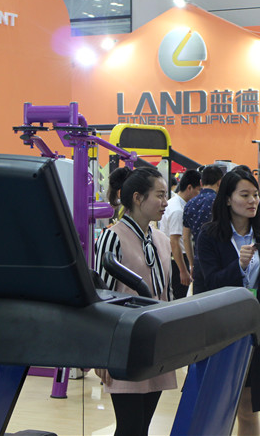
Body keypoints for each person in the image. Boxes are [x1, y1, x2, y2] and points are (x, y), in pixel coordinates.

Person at [196, 169, 260, 435]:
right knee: (217, 406)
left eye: (255, 195)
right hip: (221, 330)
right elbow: (210, 283)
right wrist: (239, 266)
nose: (252, 201)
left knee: (248, 406)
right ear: (227, 199)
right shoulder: (209, 236)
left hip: (255, 329)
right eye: (244, 195)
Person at [93, 166, 176, 436]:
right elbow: (101, 297)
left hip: (156, 344)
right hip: (123, 345)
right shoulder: (112, 238)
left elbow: (167, 295)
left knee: (142, 427)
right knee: (129, 427)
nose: (165, 202)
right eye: (160, 195)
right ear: (138, 198)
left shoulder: (161, 240)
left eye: (166, 195)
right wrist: (101, 353)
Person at [182, 164, 224, 294]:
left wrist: (192, 263)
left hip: (199, 261)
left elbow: (185, 237)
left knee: (199, 301)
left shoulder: (190, 204)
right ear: (220, 182)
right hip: (219, 261)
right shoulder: (220, 202)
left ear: (201, 182)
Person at [160, 168, 201, 299]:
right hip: (177, 260)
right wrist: (183, 270)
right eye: (198, 190)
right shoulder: (178, 210)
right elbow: (174, 241)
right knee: (179, 299)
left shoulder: (175, 203)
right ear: (189, 188)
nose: (199, 195)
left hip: (175, 258)